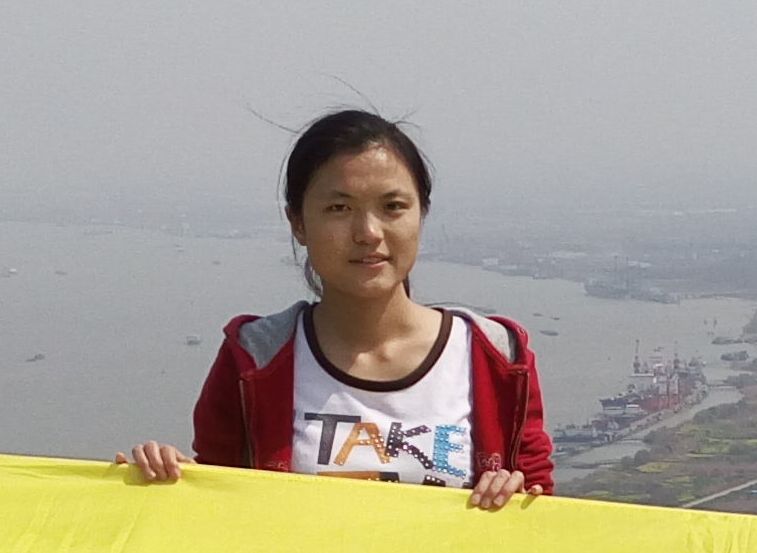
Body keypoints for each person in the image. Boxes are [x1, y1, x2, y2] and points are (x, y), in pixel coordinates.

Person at [118, 109, 551, 504]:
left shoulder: (494, 356)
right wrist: (164, 482)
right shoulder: (256, 358)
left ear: (421, 213)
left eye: (393, 207)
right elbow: (219, 506)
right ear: (298, 222)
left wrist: (516, 498)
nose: (368, 232)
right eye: (339, 208)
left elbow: (541, 513)